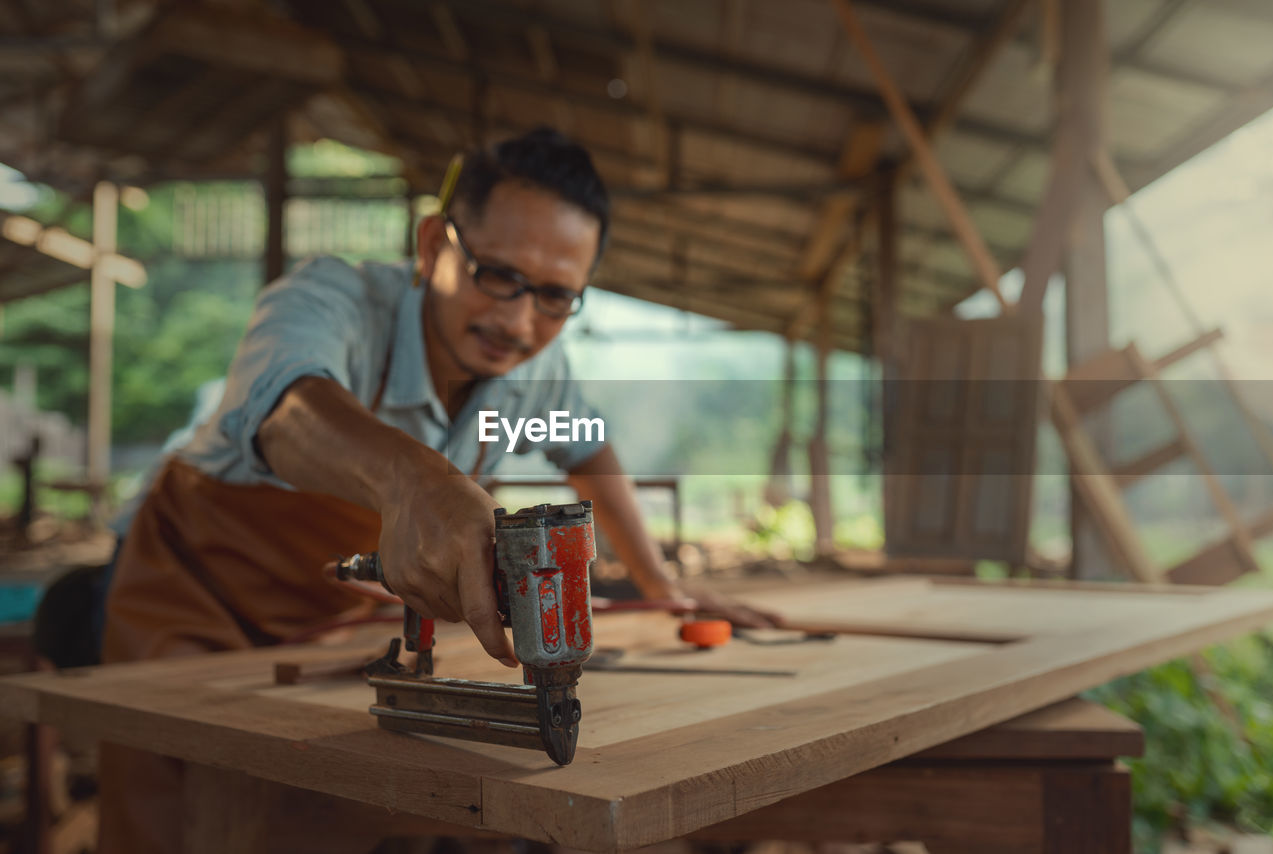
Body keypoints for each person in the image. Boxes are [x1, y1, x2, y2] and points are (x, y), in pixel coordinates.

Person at [98, 128, 777, 854]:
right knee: (182, 804)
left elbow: (590, 451)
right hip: (193, 603)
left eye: (554, 297)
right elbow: (284, 412)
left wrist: (661, 584)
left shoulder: (536, 375)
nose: (517, 321)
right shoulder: (335, 302)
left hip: (345, 631)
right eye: (496, 275)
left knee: (360, 810)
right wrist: (414, 479)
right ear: (432, 246)